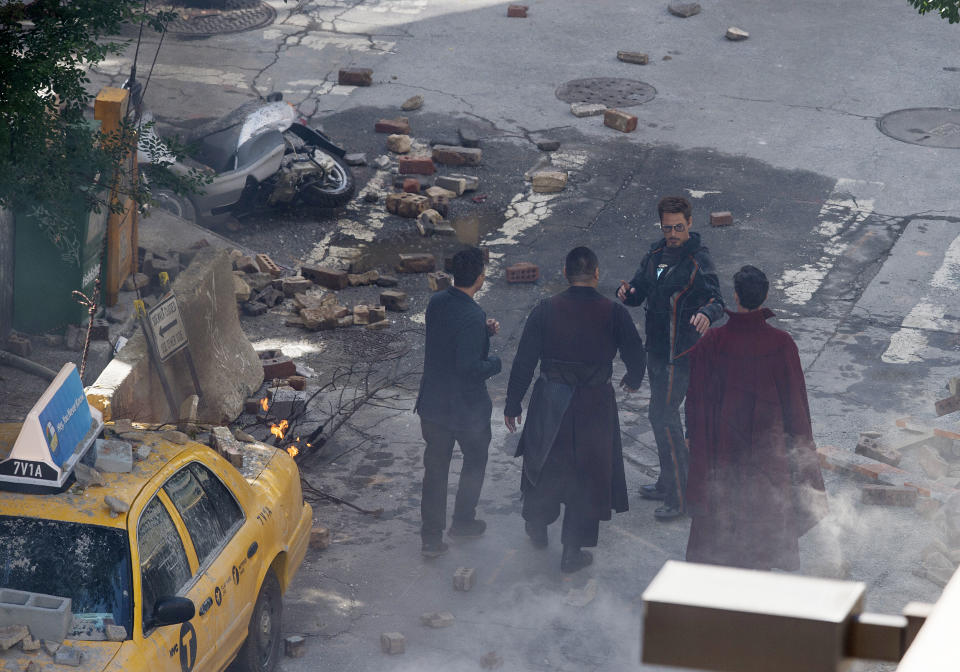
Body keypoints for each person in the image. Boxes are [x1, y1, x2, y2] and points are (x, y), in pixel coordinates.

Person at [505, 246, 646, 573]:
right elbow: (636, 356)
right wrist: (633, 379)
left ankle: (537, 529)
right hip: (594, 405)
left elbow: (524, 362)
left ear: (566, 274)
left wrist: (513, 404)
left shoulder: (544, 310)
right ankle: (571, 552)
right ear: (596, 274)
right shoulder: (614, 313)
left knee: (544, 464)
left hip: (550, 400)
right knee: (587, 476)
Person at [684, 265, 827, 570]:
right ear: (765, 297)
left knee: (722, 523)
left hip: (722, 450)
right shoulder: (781, 344)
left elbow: (695, 399)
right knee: (761, 524)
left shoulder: (713, 342)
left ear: (735, 296)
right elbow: (796, 407)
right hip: (766, 457)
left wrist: (693, 438)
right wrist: (803, 452)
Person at [617, 196, 724, 521]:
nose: (673, 233)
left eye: (679, 227)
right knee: (656, 416)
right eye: (668, 228)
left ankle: (680, 494)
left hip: (681, 354)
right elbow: (639, 289)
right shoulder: (654, 253)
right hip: (657, 351)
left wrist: (706, 312)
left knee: (666, 418)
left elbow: (717, 299)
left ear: (690, 224)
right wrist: (628, 294)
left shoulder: (699, 260)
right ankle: (667, 482)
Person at [414, 247, 502, 558]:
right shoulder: (472, 314)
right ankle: (463, 521)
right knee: (475, 461)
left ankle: (431, 538)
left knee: (435, 471)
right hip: (465, 411)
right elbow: (468, 368)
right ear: (480, 278)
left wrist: (482, 332)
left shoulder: (437, 302)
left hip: (433, 407)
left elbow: (448, 341)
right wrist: (495, 363)